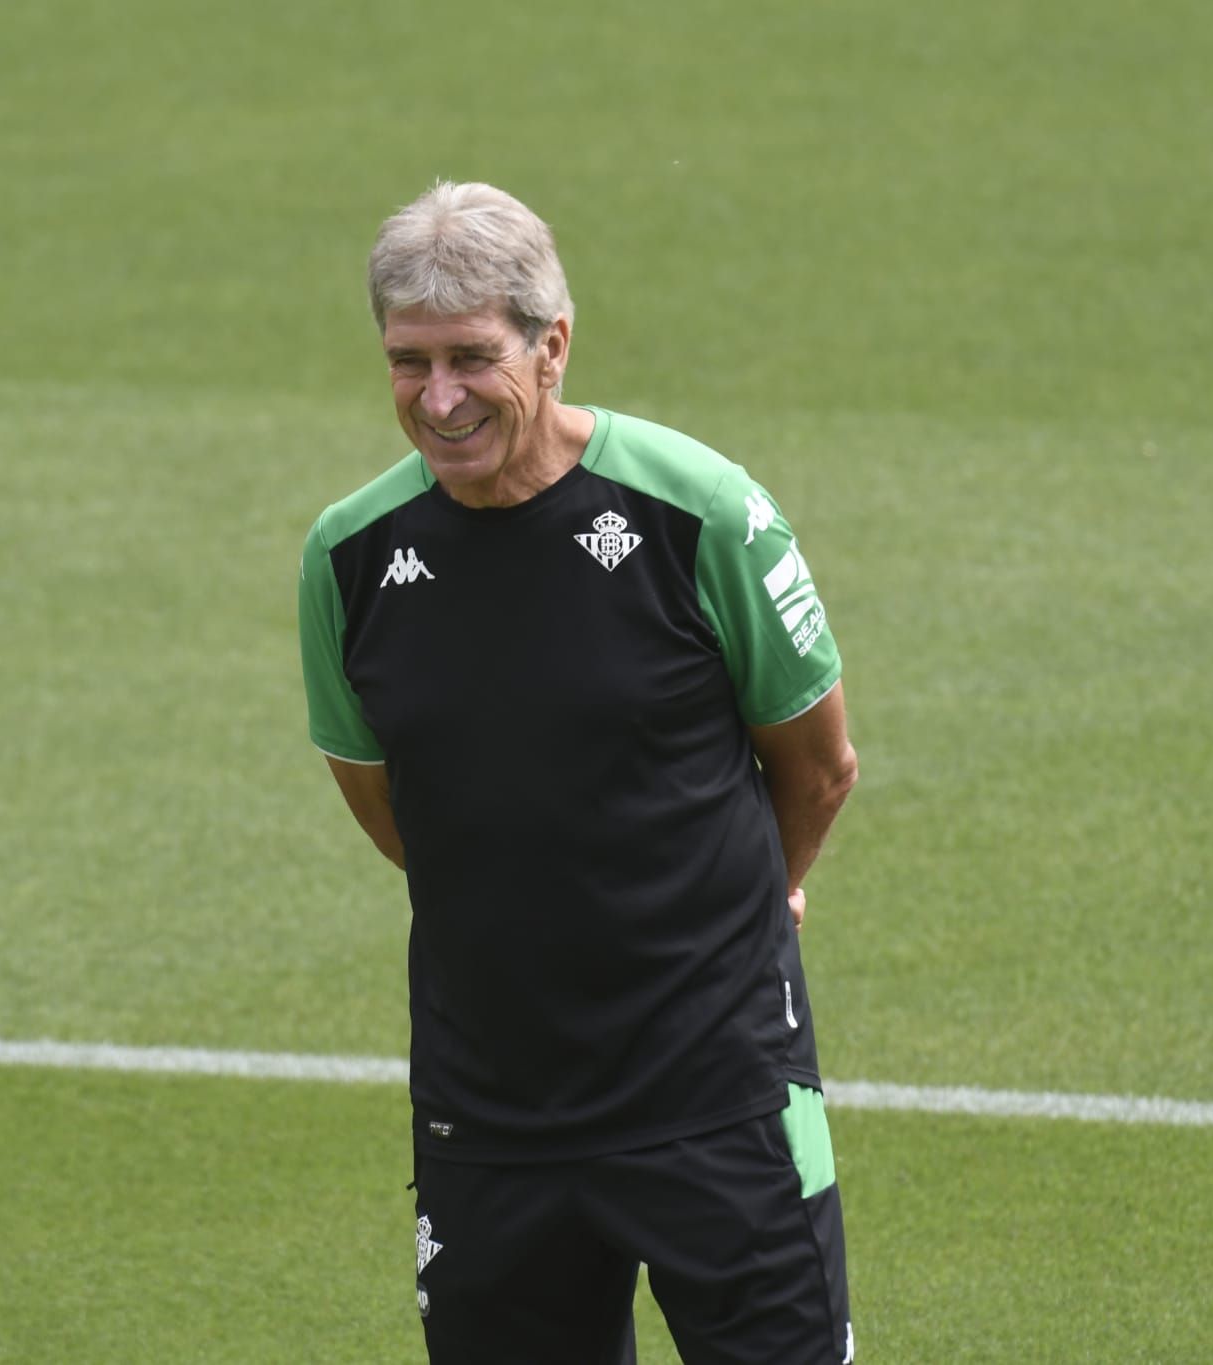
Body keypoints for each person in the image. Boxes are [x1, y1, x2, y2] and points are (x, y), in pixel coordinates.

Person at [297, 181, 860, 1365]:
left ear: (551, 345)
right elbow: (402, 813)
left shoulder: (695, 511)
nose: (437, 401)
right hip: (487, 1110)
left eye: (469, 358)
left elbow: (815, 766)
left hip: (719, 1088)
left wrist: (765, 886)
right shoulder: (348, 557)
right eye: (408, 363)